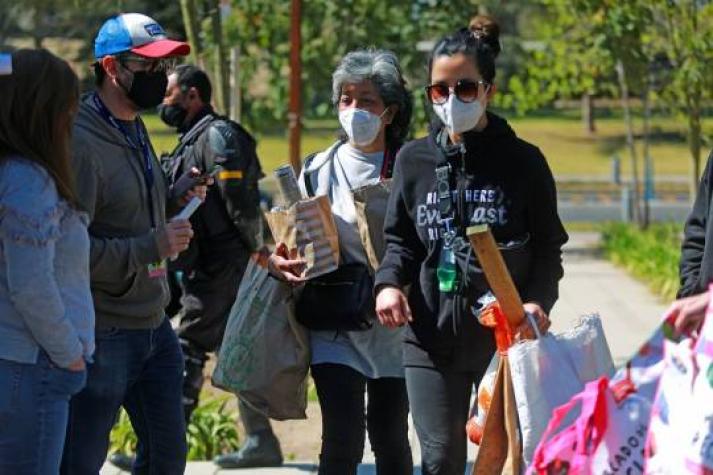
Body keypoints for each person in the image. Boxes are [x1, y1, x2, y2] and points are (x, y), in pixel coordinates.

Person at [374, 17, 568, 475]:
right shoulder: (413, 160)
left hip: (502, 344)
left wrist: (539, 301)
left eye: (464, 88)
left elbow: (548, 248)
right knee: (440, 459)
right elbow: (400, 239)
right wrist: (388, 284)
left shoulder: (524, 162)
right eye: (439, 91)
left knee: (499, 459)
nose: (451, 100)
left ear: (487, 91)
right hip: (428, 340)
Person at [59, 13, 205, 475]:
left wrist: (171, 193)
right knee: (80, 461)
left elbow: (128, 208)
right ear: (110, 67)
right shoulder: (80, 141)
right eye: (148, 67)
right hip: (103, 331)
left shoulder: (132, 123)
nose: (161, 80)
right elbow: (70, 253)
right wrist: (152, 244)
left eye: (164, 67)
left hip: (153, 322)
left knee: (167, 458)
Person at [268, 49, 413, 475]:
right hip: (333, 324)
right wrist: (282, 260)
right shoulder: (316, 169)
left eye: (366, 101)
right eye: (345, 100)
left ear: (389, 112)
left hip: (395, 327)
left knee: (390, 437)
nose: (354, 110)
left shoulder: (411, 166)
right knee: (342, 438)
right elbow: (290, 239)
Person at [156, 64, 283, 469]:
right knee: (235, 348)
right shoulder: (194, 137)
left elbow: (238, 199)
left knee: (188, 344)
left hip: (223, 263)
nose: (164, 101)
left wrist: (259, 249)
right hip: (206, 261)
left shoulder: (217, 134)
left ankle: (163, 450)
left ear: (193, 95)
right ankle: (261, 440)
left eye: (170, 93)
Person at [0, 48, 93, 475]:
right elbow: (32, 285)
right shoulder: (28, 181)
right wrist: (69, 353)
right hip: (31, 364)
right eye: (68, 105)